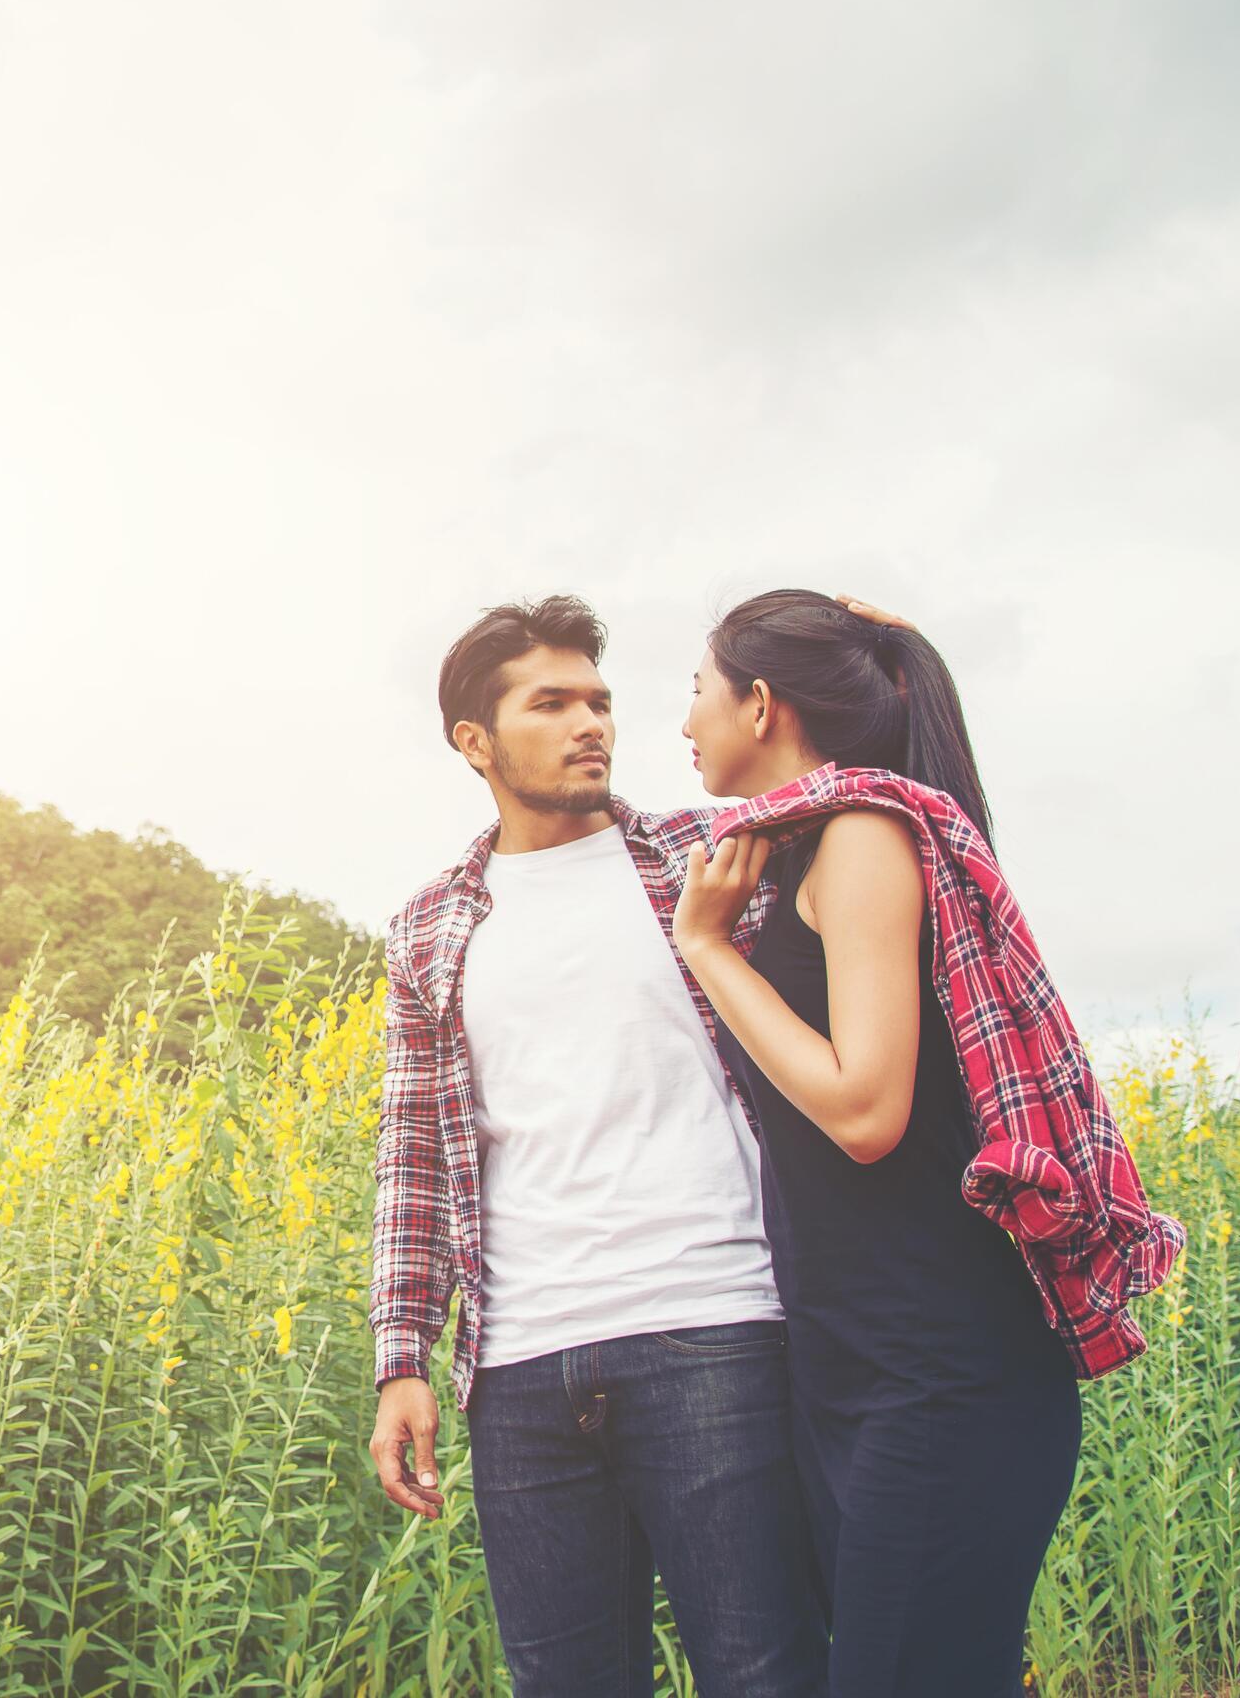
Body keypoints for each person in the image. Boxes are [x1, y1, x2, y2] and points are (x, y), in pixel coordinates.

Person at [669, 588, 1184, 1697]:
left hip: (947, 1377)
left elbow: (866, 1111)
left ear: (761, 706)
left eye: (697, 689)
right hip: (862, 1368)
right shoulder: (792, 861)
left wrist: (706, 951)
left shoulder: (862, 839)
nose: (684, 720)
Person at [365, 593, 827, 1698]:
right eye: (552, 702)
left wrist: (869, 641)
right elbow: (416, 1152)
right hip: (521, 1370)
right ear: (474, 740)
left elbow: (863, 783)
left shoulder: (707, 852)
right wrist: (401, 1357)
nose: (593, 724)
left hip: (715, 1329)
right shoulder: (431, 924)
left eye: (601, 701)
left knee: (769, 1675)